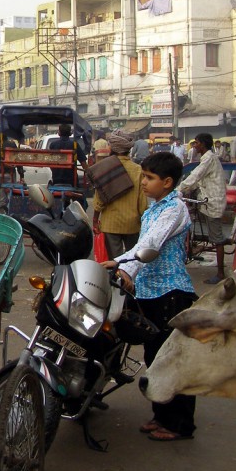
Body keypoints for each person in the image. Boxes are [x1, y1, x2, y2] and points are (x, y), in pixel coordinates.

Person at [101, 152, 197, 443]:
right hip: (149, 290)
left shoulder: (174, 209)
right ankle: (162, 415)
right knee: (154, 356)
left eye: (149, 177)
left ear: (167, 182)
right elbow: (145, 245)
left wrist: (120, 263)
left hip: (171, 292)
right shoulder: (154, 208)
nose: (143, 182)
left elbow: (150, 244)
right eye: (143, 175)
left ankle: (181, 425)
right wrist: (126, 270)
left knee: (171, 359)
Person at [179, 132, 228, 284]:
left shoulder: (208, 158)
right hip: (208, 199)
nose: (195, 146)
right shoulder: (207, 157)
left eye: (197, 143)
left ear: (204, 144)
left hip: (213, 201)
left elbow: (196, 175)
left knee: (217, 239)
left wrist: (179, 189)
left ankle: (220, 273)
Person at [92, 130, 148, 260]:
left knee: (114, 262)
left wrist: (95, 220)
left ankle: (116, 280)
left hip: (110, 224)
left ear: (112, 147)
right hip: (132, 224)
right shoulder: (138, 170)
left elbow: (99, 200)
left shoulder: (104, 167)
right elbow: (142, 202)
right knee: (131, 261)